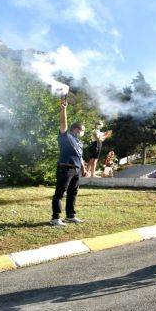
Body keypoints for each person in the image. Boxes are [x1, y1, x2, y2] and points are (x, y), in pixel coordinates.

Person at [51, 97, 86, 227]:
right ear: (76, 130)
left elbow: (79, 155)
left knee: (73, 193)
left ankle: (71, 216)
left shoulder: (79, 142)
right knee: (60, 193)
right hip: (65, 168)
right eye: (82, 130)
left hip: (76, 170)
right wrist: (63, 109)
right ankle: (55, 218)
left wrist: (83, 168)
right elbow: (63, 124)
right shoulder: (66, 137)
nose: (83, 132)